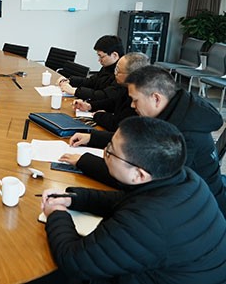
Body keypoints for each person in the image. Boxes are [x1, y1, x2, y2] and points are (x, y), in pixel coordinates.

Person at [41, 117, 226, 284]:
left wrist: (56, 214)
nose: (105, 152)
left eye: (110, 152)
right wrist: (74, 199)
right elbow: (129, 201)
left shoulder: (145, 223)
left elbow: (74, 262)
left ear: (139, 174)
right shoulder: (185, 178)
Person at [62, 65, 226, 215]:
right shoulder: (176, 111)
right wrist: (93, 137)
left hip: (198, 212)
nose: (132, 106)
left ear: (156, 98)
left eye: (135, 100)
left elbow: (137, 179)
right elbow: (137, 142)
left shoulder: (183, 136)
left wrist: (84, 161)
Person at [72, 52, 149, 131]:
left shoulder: (140, 96)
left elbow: (119, 124)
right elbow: (113, 102)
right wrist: (90, 106)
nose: (115, 73)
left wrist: (98, 115)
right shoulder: (124, 87)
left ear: (132, 75)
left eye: (118, 71)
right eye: (116, 69)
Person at [58, 35, 124, 100]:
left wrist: (75, 91)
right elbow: (92, 81)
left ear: (114, 55)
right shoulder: (108, 67)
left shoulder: (123, 73)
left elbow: (105, 95)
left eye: (101, 56)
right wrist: (70, 80)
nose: (99, 60)